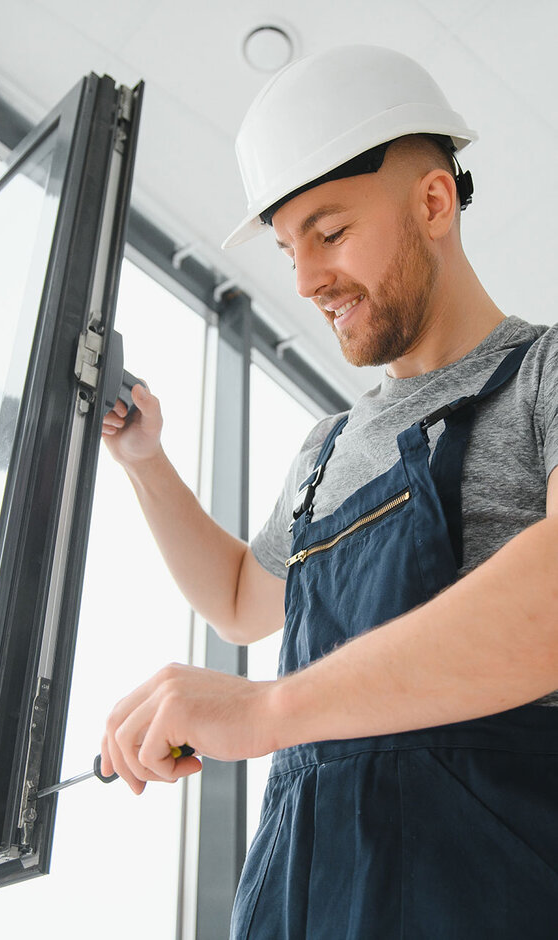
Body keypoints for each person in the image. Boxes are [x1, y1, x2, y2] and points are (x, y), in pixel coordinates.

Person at [99, 44, 558, 938]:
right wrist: (147, 459)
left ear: (433, 202)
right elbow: (239, 600)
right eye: (287, 248)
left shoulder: (544, 373)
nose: (306, 280)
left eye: (331, 231)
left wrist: (270, 710)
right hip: (301, 903)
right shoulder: (327, 449)